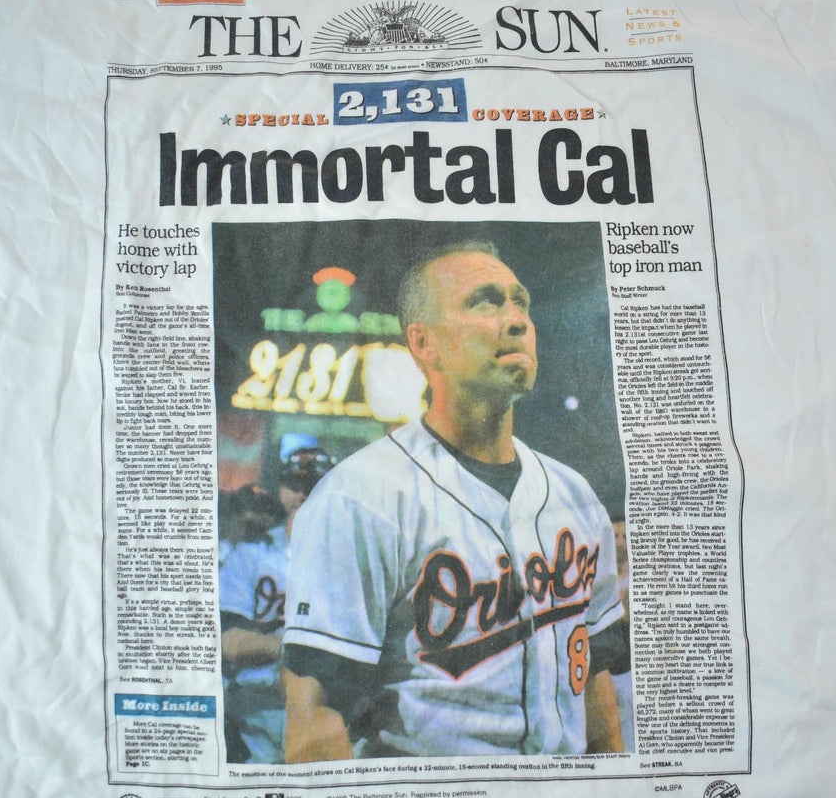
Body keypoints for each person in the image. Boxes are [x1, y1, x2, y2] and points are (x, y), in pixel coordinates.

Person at [282, 242, 629, 760]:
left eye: (521, 302)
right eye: (485, 302)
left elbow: (593, 677)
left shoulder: (573, 494)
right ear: (424, 343)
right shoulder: (359, 494)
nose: (516, 320)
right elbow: (315, 718)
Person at [218, 448, 335, 763]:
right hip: (253, 710)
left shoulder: (353, 559)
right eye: (295, 484)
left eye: (316, 485)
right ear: (282, 491)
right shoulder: (253, 553)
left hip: (322, 711)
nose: (304, 494)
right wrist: (301, 648)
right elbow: (227, 642)